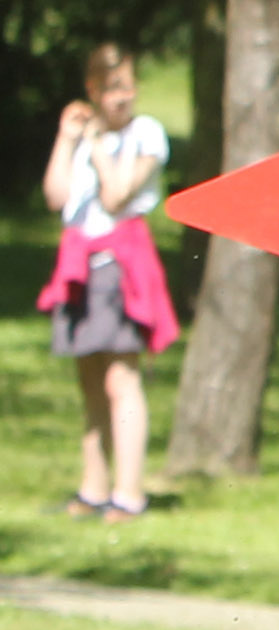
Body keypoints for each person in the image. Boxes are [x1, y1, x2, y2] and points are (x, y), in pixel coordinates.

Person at [36, 45, 180, 520]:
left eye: (129, 87)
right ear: (93, 90)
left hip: (121, 265)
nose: (124, 97)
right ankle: (93, 488)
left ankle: (129, 492)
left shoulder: (147, 135)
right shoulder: (79, 138)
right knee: (90, 380)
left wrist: (97, 144)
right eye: (113, 88)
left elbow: (118, 195)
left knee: (122, 378)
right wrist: (66, 137)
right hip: (79, 263)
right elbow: (56, 197)